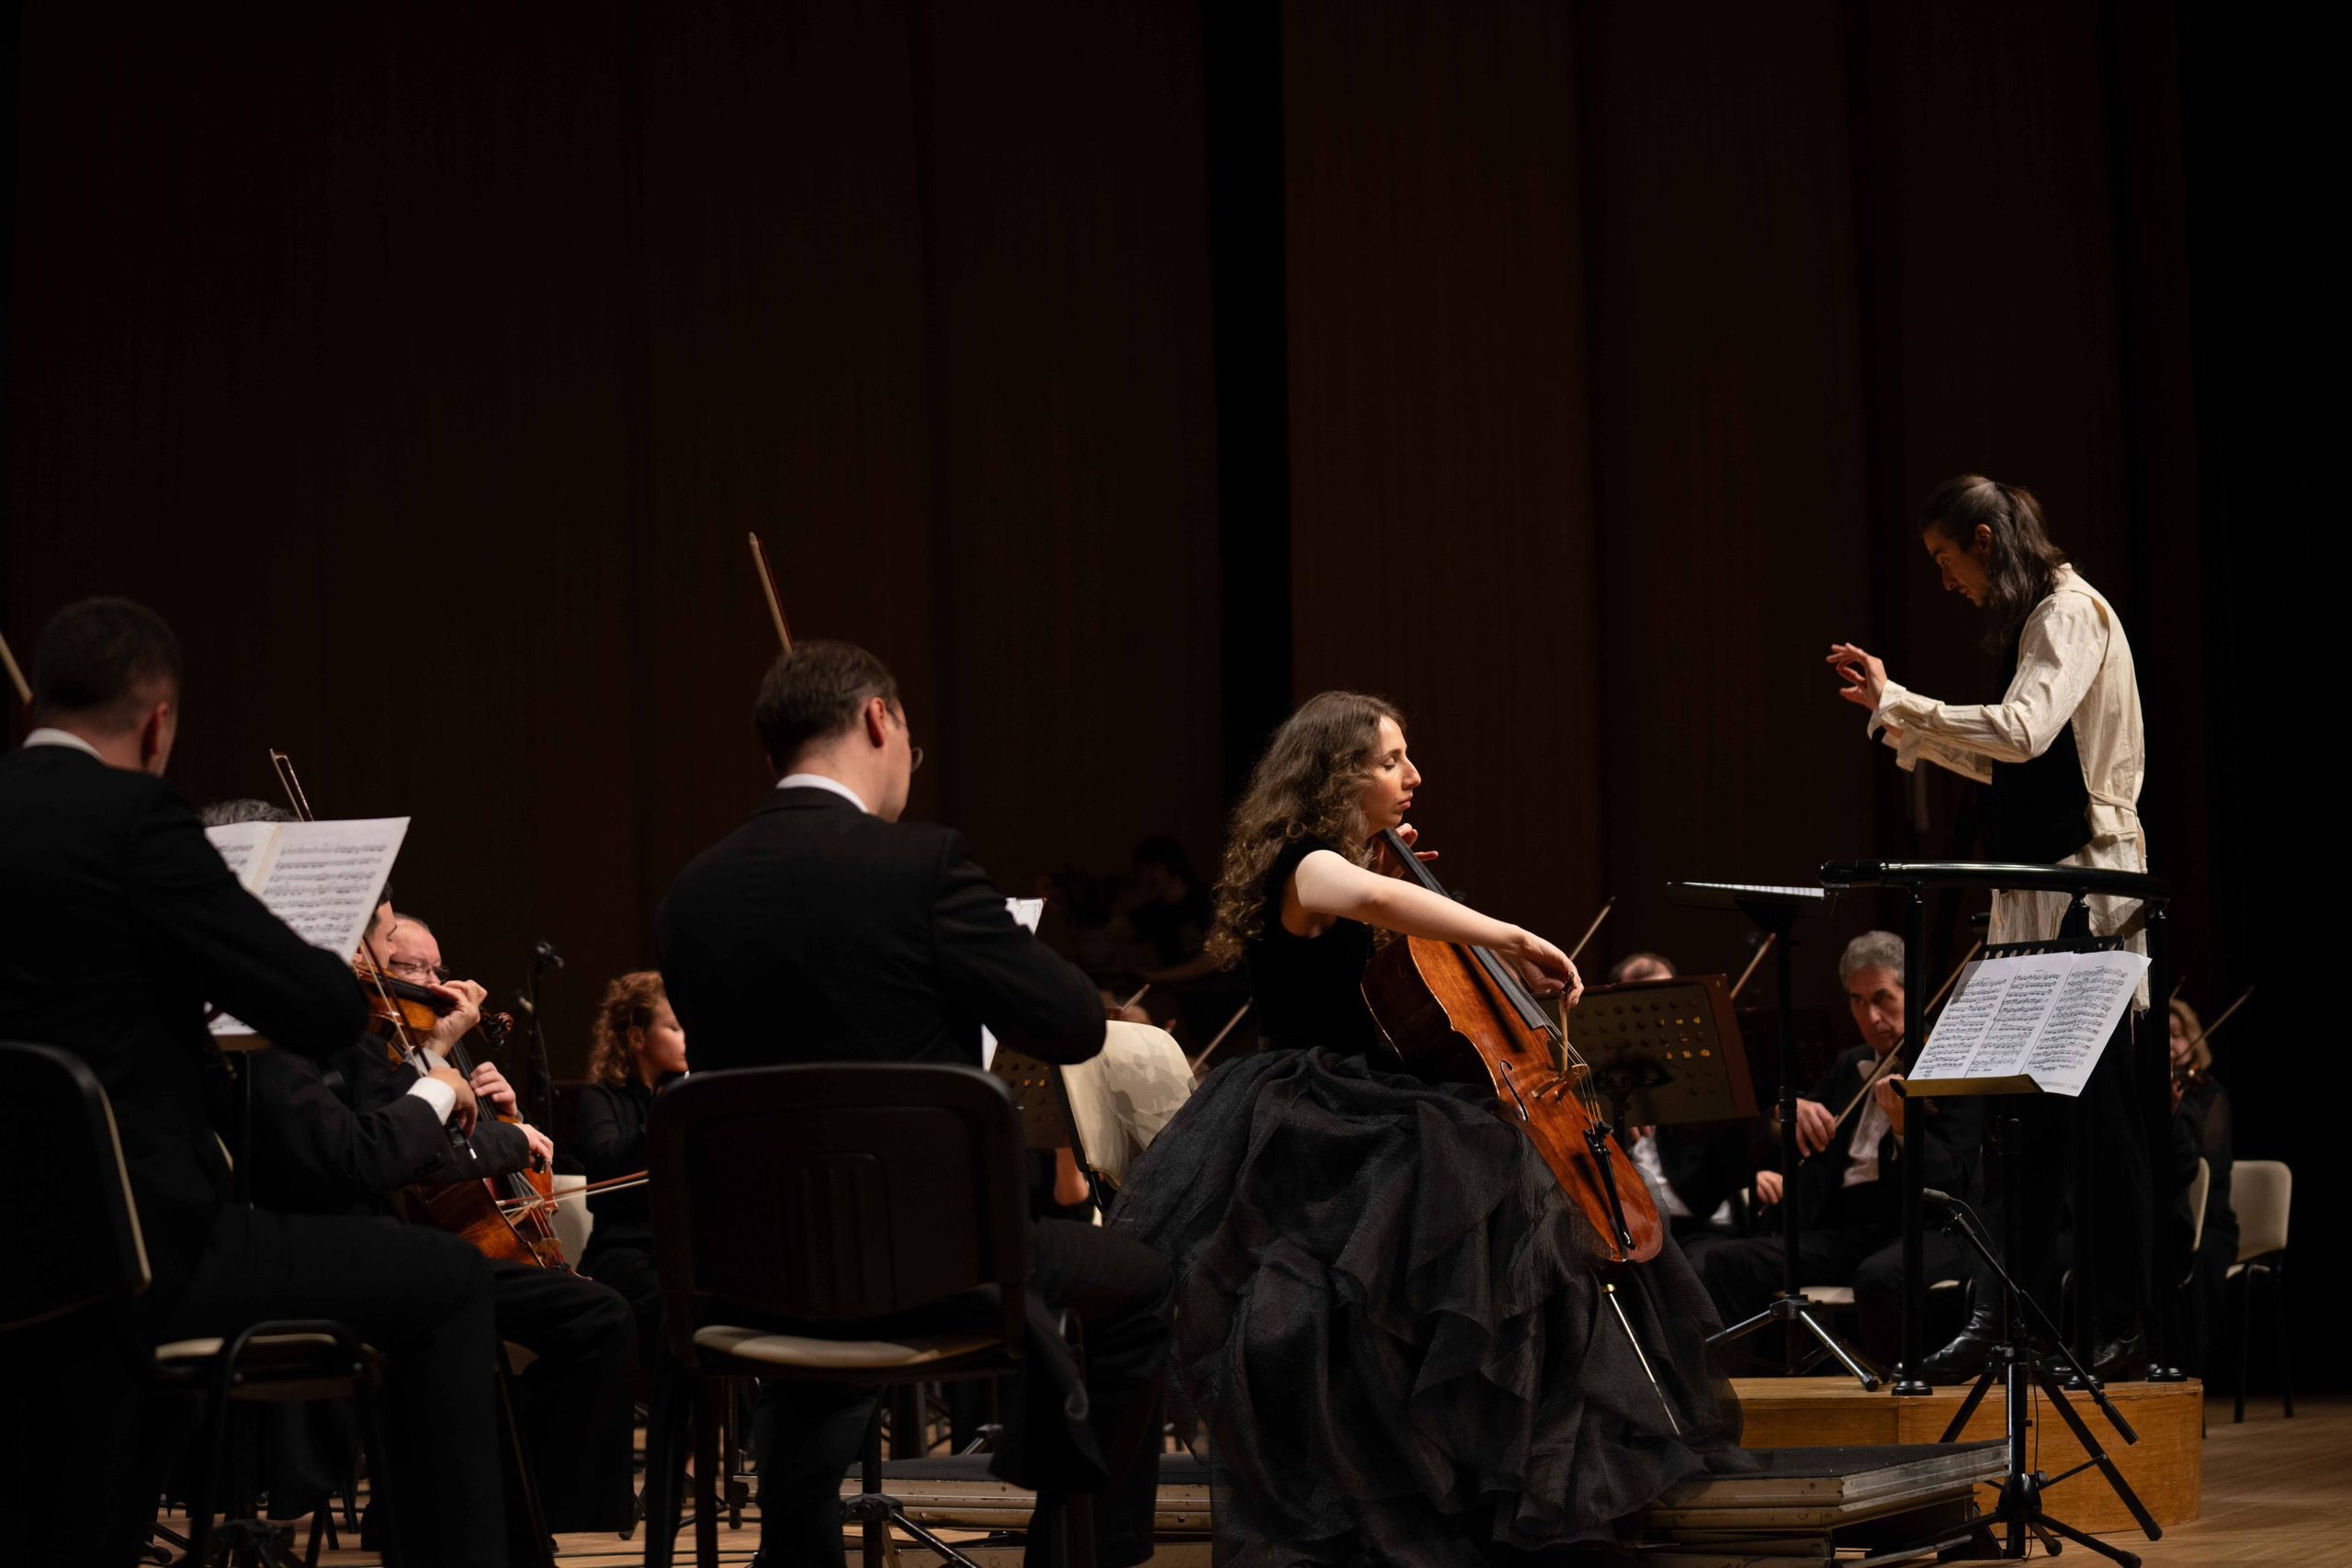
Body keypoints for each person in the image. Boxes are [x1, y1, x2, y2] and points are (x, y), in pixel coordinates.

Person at [1110, 691, 1748, 1561]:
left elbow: (1383, 918)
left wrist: (1408, 884)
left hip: (1357, 1093)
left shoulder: (1349, 864)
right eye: (1389, 761)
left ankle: (1485, 1453)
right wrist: (1512, 935)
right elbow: (1375, 898)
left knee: (1485, 1216)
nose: (1413, 775)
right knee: (1484, 1182)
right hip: (1320, 1111)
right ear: (1338, 774)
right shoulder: (1308, 865)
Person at [0, 596, 505, 1567]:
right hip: (143, 1250)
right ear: (158, 724)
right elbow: (314, 1009)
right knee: (446, 1283)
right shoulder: (138, 820)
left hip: (13, 1251)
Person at [657, 639, 1172, 1568]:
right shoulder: (921, 865)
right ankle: (1086, 1552)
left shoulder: (689, 894)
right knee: (1142, 1284)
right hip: (930, 1268)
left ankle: (797, 1544)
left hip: (750, 1274)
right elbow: (1071, 1024)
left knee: (827, 1275)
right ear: (878, 721)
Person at [1834, 476, 2154, 1379]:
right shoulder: (2035, 621)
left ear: (1982, 538)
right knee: (2021, 1127)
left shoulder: (2066, 612)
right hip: (2032, 889)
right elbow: (2015, 770)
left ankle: (2117, 1327)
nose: (1945, 582)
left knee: (2097, 1121)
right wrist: (1894, 714)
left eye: (1946, 561)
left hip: (2084, 889)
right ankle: (2005, 1314)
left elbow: (2019, 733)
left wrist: (1908, 707)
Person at [1697, 931, 1980, 1372]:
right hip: (1852, 1230)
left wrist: (1907, 1130)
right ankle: (1744, 1394)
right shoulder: (1851, 1065)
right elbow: (1769, 1140)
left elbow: (1952, 1181)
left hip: (1930, 1230)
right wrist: (1785, 1114)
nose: (1870, 1017)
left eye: (1883, 999)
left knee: (1880, 1275)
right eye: (1857, 1001)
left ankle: (1900, 1399)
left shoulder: (1952, 1063)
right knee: (1726, 1261)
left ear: (1916, 992)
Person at [1600, 952, 1751, 1269]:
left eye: (1659, 1004)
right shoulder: (1601, 1077)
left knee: (1692, 1274)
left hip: (1700, 1227)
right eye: (1635, 1006)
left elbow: (1737, 1151)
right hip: (1624, 1228)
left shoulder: (1704, 1072)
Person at [573, 969, 685, 1379]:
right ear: (637, 1037)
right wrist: (666, 1112)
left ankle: (741, 1434)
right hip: (621, 1258)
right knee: (673, 1304)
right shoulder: (600, 1098)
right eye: (675, 1027)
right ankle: (667, 1441)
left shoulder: (684, 1098)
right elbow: (607, 1164)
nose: (687, 1037)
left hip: (676, 1257)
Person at [2165, 997, 2235, 1377]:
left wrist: (2174, 1113)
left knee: (2198, 1256)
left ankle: (2190, 1373)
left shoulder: (2209, 1094)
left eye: (2177, 1035)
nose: (2170, 1045)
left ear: (2194, 1040)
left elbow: (2204, 1168)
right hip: (2167, 1213)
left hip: (2207, 1218)